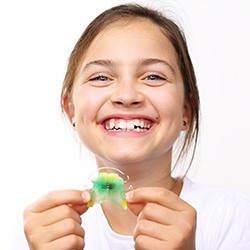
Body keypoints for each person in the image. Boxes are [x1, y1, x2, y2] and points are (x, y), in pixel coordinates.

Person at [21, 3, 250, 250]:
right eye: (101, 77)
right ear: (71, 110)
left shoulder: (233, 217)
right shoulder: (37, 231)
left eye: (154, 76)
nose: (127, 95)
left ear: (186, 110)